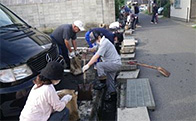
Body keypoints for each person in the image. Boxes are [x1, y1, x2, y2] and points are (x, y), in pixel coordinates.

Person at [82, 30, 122, 100]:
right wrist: (87, 50)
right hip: (112, 63)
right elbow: (95, 49)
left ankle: (102, 83)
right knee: (110, 81)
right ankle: (112, 96)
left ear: (99, 37)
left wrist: (88, 65)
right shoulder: (101, 42)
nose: (95, 42)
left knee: (99, 65)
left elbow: (96, 56)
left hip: (114, 64)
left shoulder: (105, 43)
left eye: (95, 40)